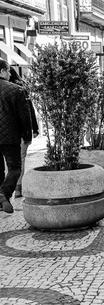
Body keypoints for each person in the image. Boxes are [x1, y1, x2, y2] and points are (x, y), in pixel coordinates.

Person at [0, 59, 32, 213]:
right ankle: (3, 194)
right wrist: (27, 136)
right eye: (7, 70)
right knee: (15, 168)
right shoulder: (16, 90)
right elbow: (24, 117)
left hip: (8, 137)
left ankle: (1, 200)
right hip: (9, 137)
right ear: (2, 71)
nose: (8, 73)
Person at [9, 67, 39, 199]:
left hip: (14, 133)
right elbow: (29, 110)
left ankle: (13, 188)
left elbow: (29, 111)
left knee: (13, 161)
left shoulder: (18, 89)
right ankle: (18, 188)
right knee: (20, 160)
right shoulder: (21, 88)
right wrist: (35, 129)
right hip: (21, 132)